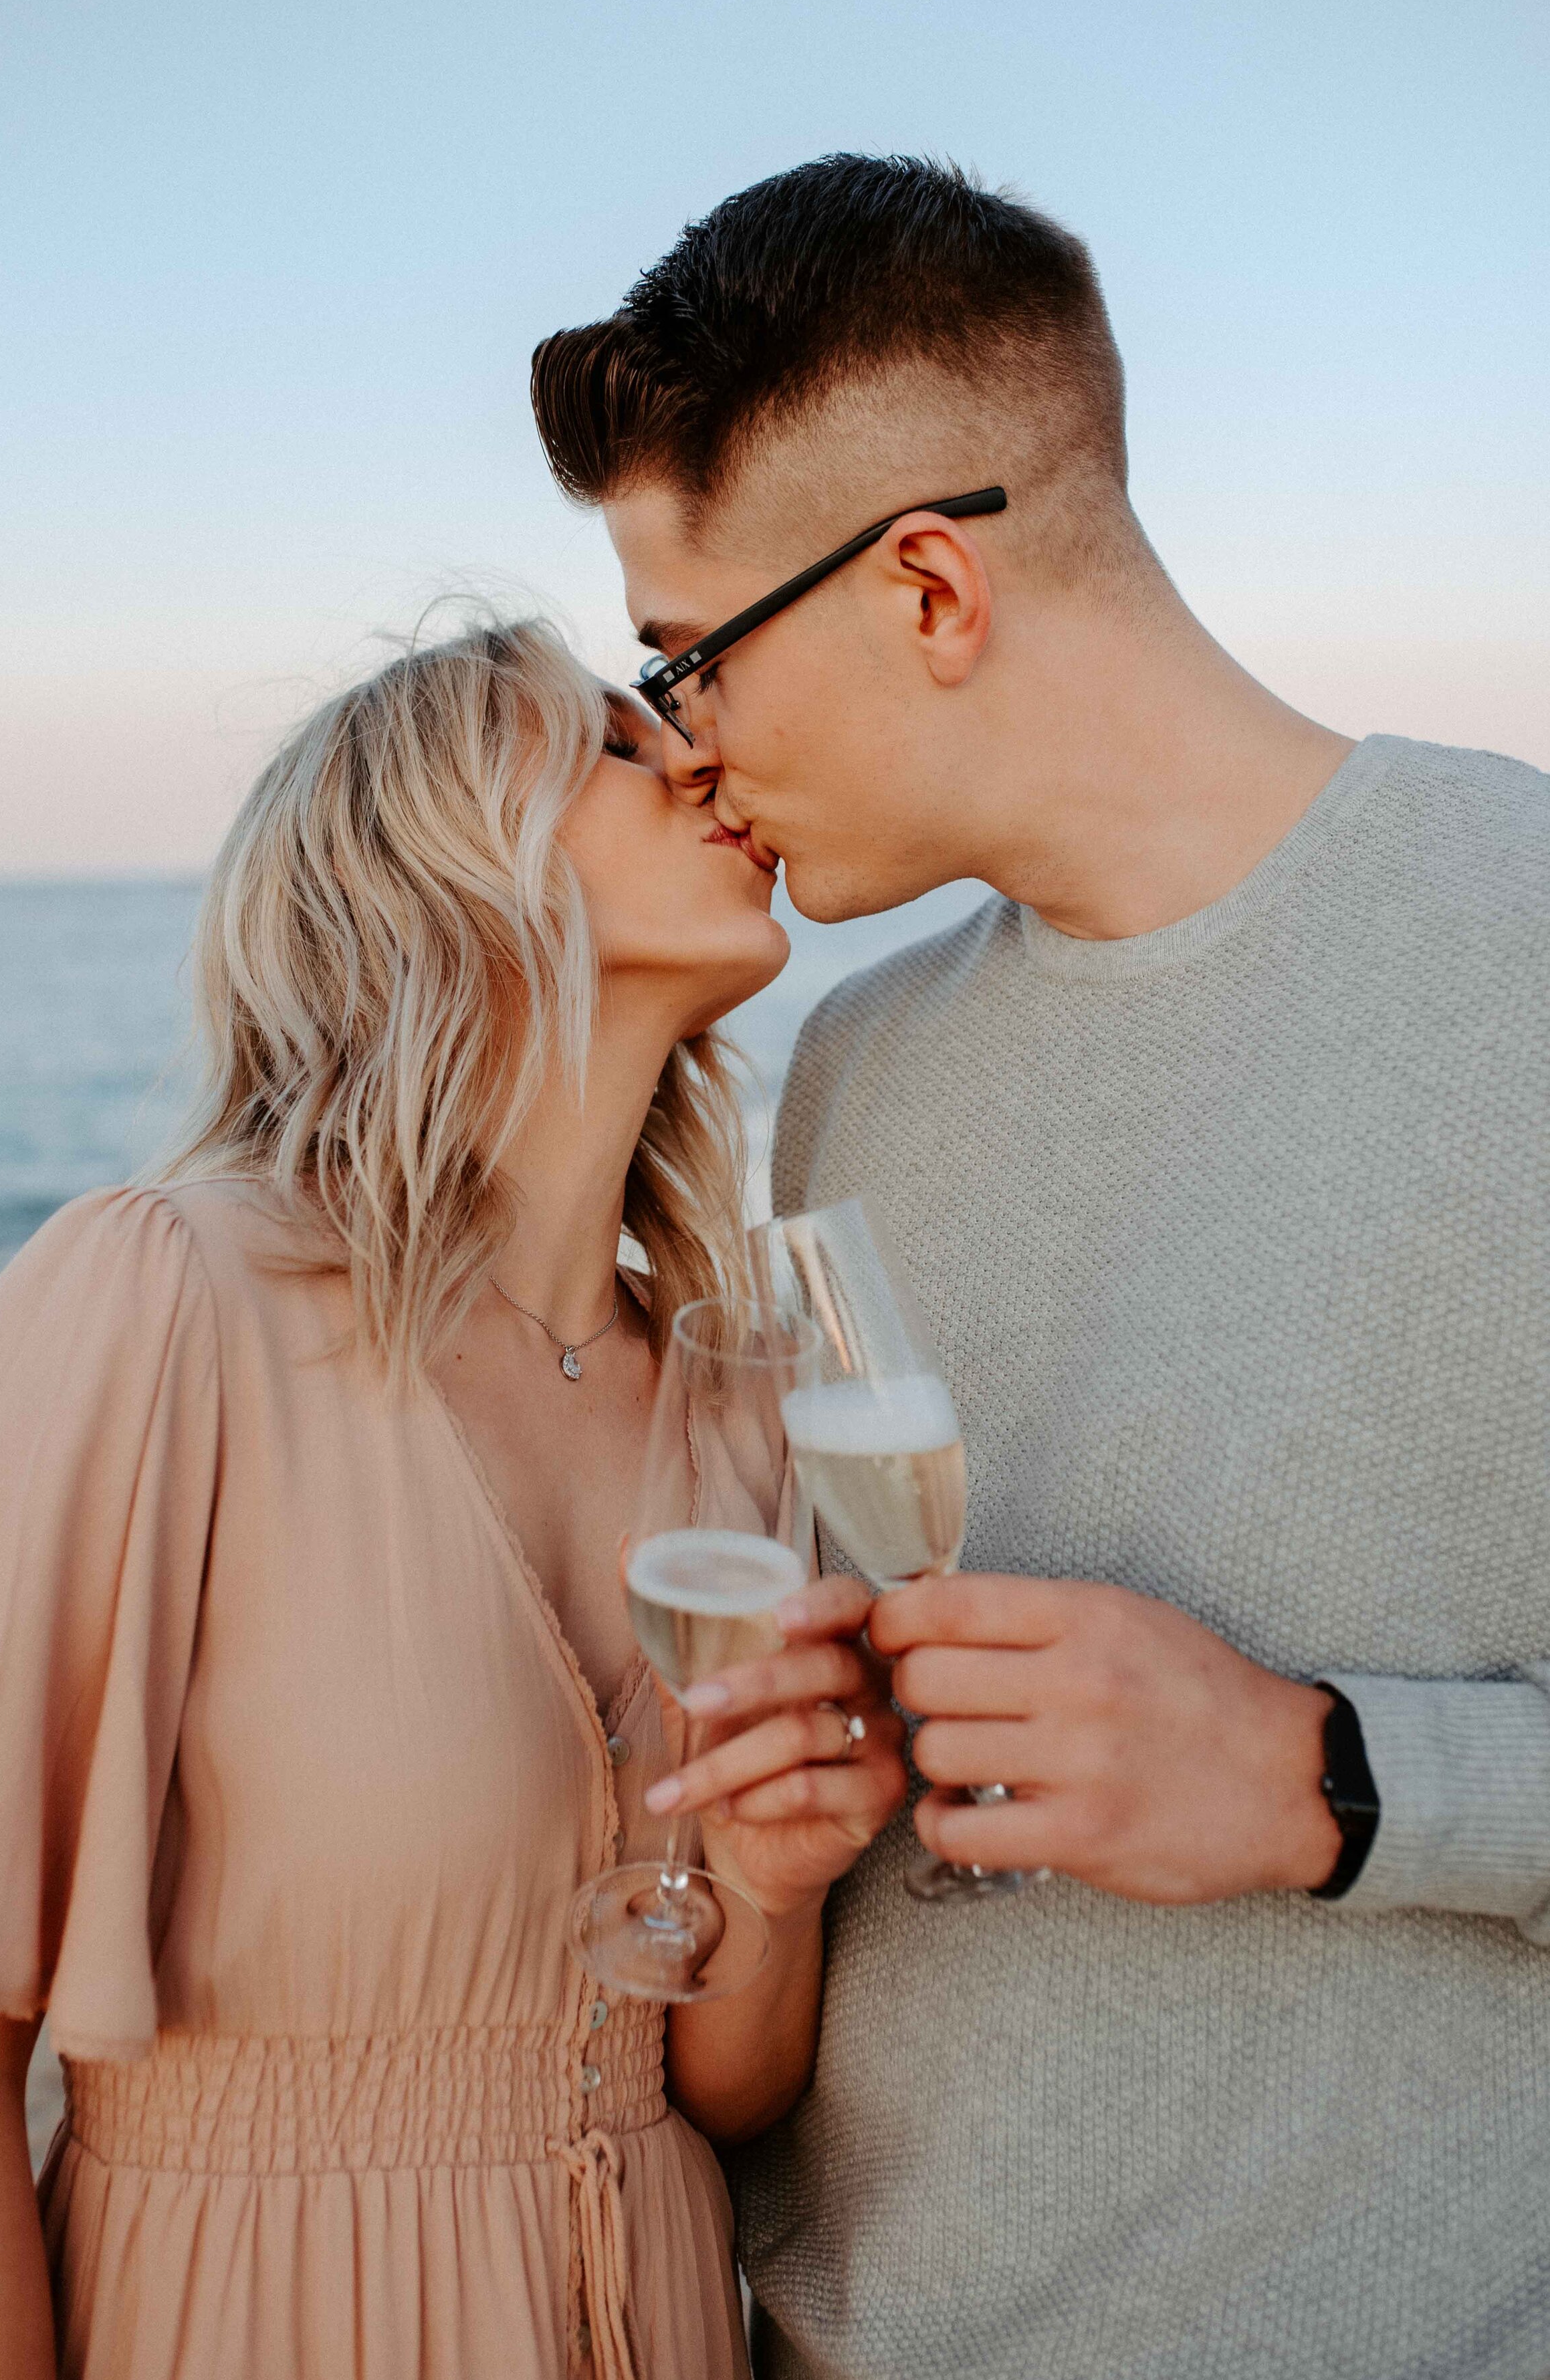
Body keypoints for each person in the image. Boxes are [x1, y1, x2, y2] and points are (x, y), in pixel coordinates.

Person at [529, 155, 1550, 2379]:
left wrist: (1329, 1779)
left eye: (686, 655)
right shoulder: (849, 1071)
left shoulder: (1527, 949)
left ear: (922, 586)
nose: (680, 738)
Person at [0, 615, 907, 2380]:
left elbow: (711, 2076)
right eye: (608, 742)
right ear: (429, 864)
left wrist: (779, 1879)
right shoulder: (160, 1302)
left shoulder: (732, 1410)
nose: (699, 756)